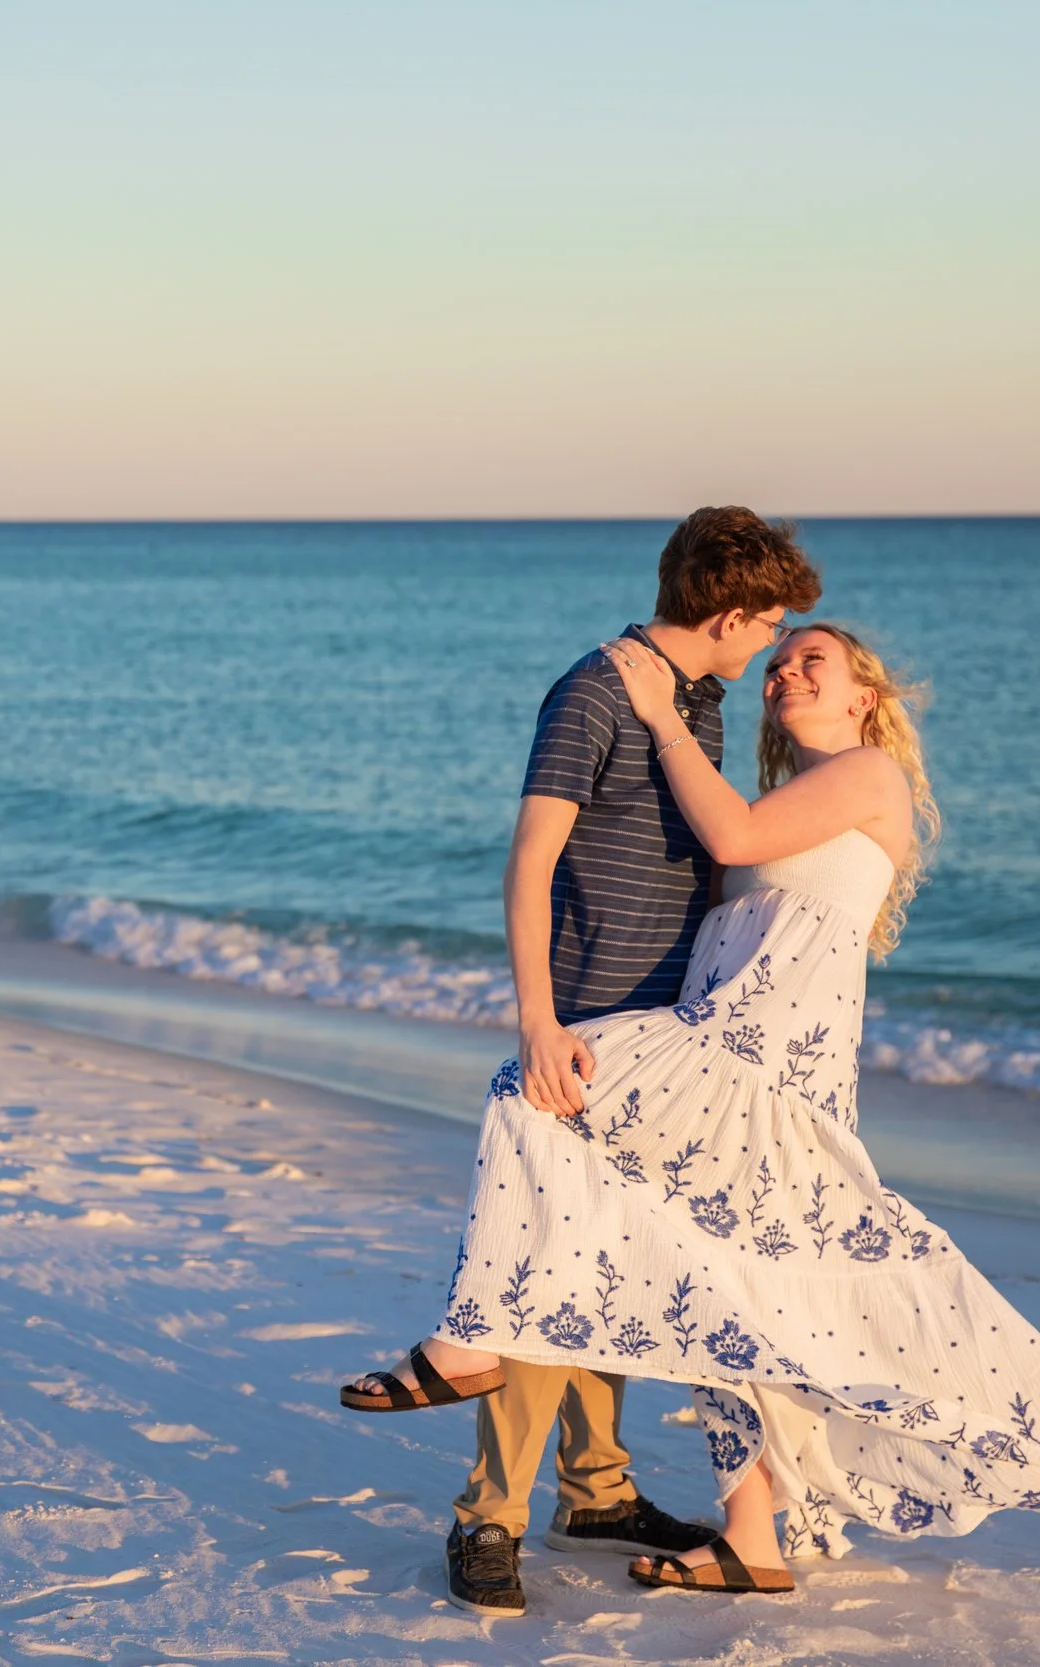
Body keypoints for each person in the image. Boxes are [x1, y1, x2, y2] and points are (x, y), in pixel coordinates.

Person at [413, 621, 1040, 1600]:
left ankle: (470, 1351)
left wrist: (661, 712)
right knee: (740, 1294)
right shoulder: (791, 797)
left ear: (863, 697)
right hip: (730, 1049)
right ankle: (749, 1535)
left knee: (533, 1096)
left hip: (759, 1064)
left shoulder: (869, 773)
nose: (785, 670)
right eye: (779, 658)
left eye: (814, 659)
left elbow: (732, 838)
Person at [338, 507, 825, 1617]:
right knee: (539, 1269)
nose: (764, 650)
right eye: (767, 627)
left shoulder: (686, 701)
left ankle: (598, 1492)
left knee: (606, 1268)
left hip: (666, 1034)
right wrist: (536, 1019)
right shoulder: (596, 689)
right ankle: (487, 1522)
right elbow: (530, 856)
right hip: (586, 1027)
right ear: (730, 610)